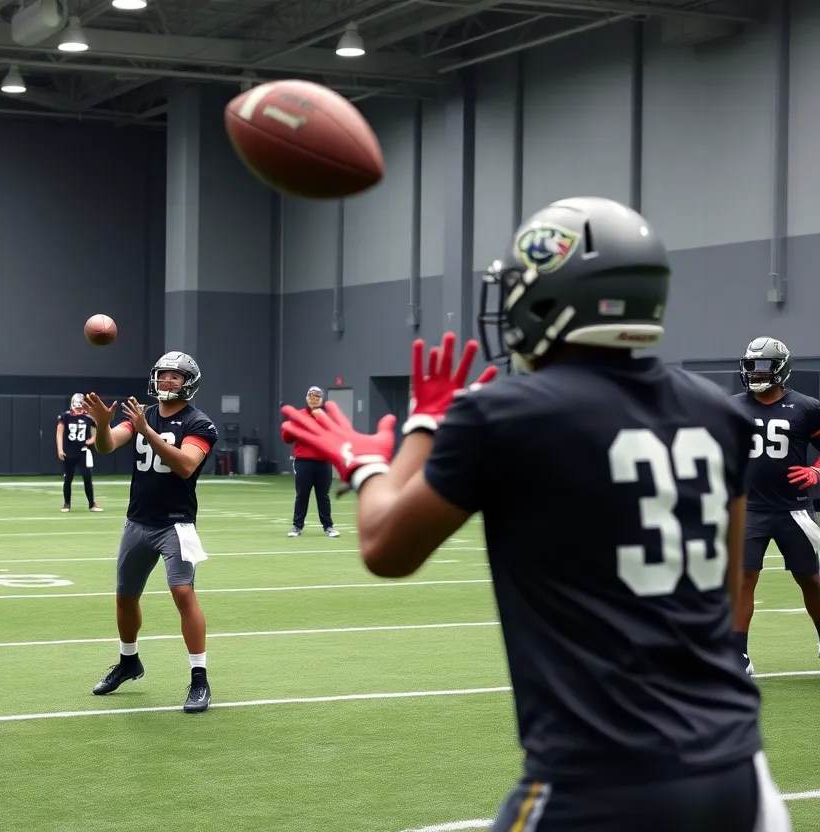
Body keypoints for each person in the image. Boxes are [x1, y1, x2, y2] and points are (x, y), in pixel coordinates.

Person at [280, 197, 791, 831]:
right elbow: (722, 591)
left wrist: (368, 460)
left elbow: (386, 546)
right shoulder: (718, 412)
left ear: (554, 300)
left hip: (601, 778)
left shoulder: (508, 413)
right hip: (740, 773)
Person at [84, 351, 219, 713]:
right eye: (163, 374)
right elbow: (107, 445)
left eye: (175, 376)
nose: (167, 380)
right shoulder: (143, 413)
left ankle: (200, 678)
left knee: (183, 593)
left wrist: (147, 431)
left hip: (176, 522)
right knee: (125, 596)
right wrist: (102, 425)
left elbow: (186, 465)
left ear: (189, 383)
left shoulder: (199, 423)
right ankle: (129, 661)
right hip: (138, 521)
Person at [730, 336, 820, 675]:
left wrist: (815, 470)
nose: (755, 372)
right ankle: (738, 655)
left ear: (781, 368)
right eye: (751, 366)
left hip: (794, 509)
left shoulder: (806, 407)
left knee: (810, 579)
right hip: (748, 509)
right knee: (743, 580)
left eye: (763, 366)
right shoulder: (732, 407)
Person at [285, 385, 339, 538]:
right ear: (306, 398)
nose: (313, 400)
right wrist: (291, 428)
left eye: (317, 397)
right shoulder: (299, 415)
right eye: (311, 396)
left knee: (323, 495)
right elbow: (287, 438)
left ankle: (328, 526)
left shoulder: (327, 416)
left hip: (323, 461)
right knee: (302, 494)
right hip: (303, 461)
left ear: (322, 399)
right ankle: (297, 526)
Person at [56, 393, 101, 513]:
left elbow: (97, 430)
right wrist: (60, 449)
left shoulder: (88, 417)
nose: (79, 408)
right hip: (69, 452)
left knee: (87, 477)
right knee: (68, 479)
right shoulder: (65, 416)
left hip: (83, 451)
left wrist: (92, 439)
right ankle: (66, 504)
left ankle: (92, 504)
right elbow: (59, 433)